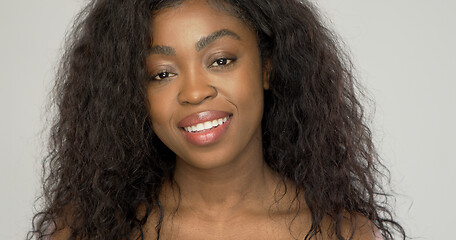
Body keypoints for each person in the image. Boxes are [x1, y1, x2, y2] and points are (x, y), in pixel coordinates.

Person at [28, 0, 406, 239]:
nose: (194, 92)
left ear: (267, 68)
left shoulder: (338, 231)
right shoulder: (86, 231)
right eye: (161, 73)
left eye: (221, 60)